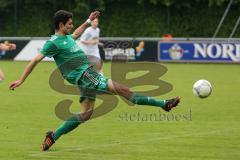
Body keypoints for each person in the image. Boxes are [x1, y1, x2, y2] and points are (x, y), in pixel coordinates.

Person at [9, 10, 180, 151]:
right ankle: (163, 104)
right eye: (69, 23)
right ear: (61, 25)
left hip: (86, 76)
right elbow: (35, 60)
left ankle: (53, 136)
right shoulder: (52, 43)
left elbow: (76, 33)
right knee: (124, 90)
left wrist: (88, 21)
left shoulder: (67, 38)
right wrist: (21, 80)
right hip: (86, 76)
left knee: (85, 114)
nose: (72, 26)